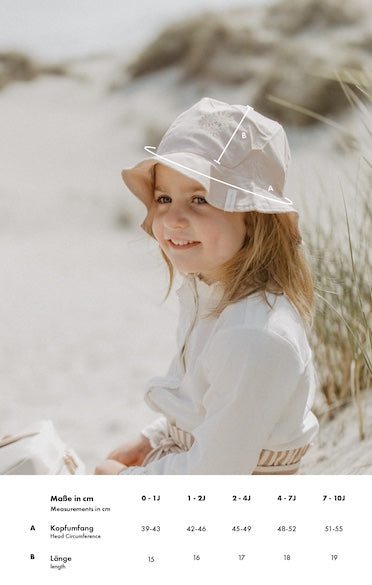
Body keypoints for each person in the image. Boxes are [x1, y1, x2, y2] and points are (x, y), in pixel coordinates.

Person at [95, 97, 319, 475]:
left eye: (200, 199)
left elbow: (215, 474)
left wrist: (125, 481)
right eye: (164, 198)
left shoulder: (254, 337)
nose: (173, 219)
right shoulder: (209, 291)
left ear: (254, 218)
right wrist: (153, 437)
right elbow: (200, 401)